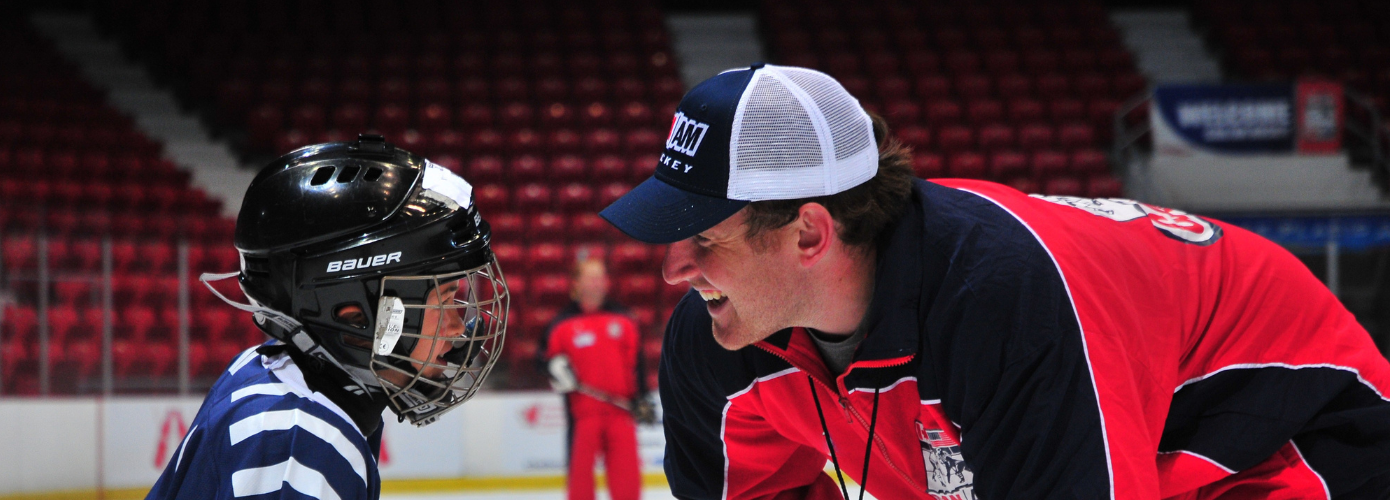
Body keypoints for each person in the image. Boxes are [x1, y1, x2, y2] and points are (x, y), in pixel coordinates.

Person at [598, 63, 1390, 500]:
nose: (674, 270)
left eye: (704, 238)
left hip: (1292, 442)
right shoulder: (719, 338)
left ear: (809, 232)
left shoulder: (1004, 300)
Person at [147, 135, 510, 500]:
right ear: (354, 314)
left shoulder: (282, 379)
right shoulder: (299, 443)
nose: (457, 327)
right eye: (444, 300)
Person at [542, 256, 649, 500]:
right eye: (591, 277)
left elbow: (638, 364)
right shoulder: (562, 324)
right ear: (577, 283)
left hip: (621, 412)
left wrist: (642, 396)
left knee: (627, 482)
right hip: (583, 415)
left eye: (601, 277)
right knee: (580, 481)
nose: (597, 283)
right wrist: (554, 370)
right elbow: (545, 362)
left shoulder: (624, 319)